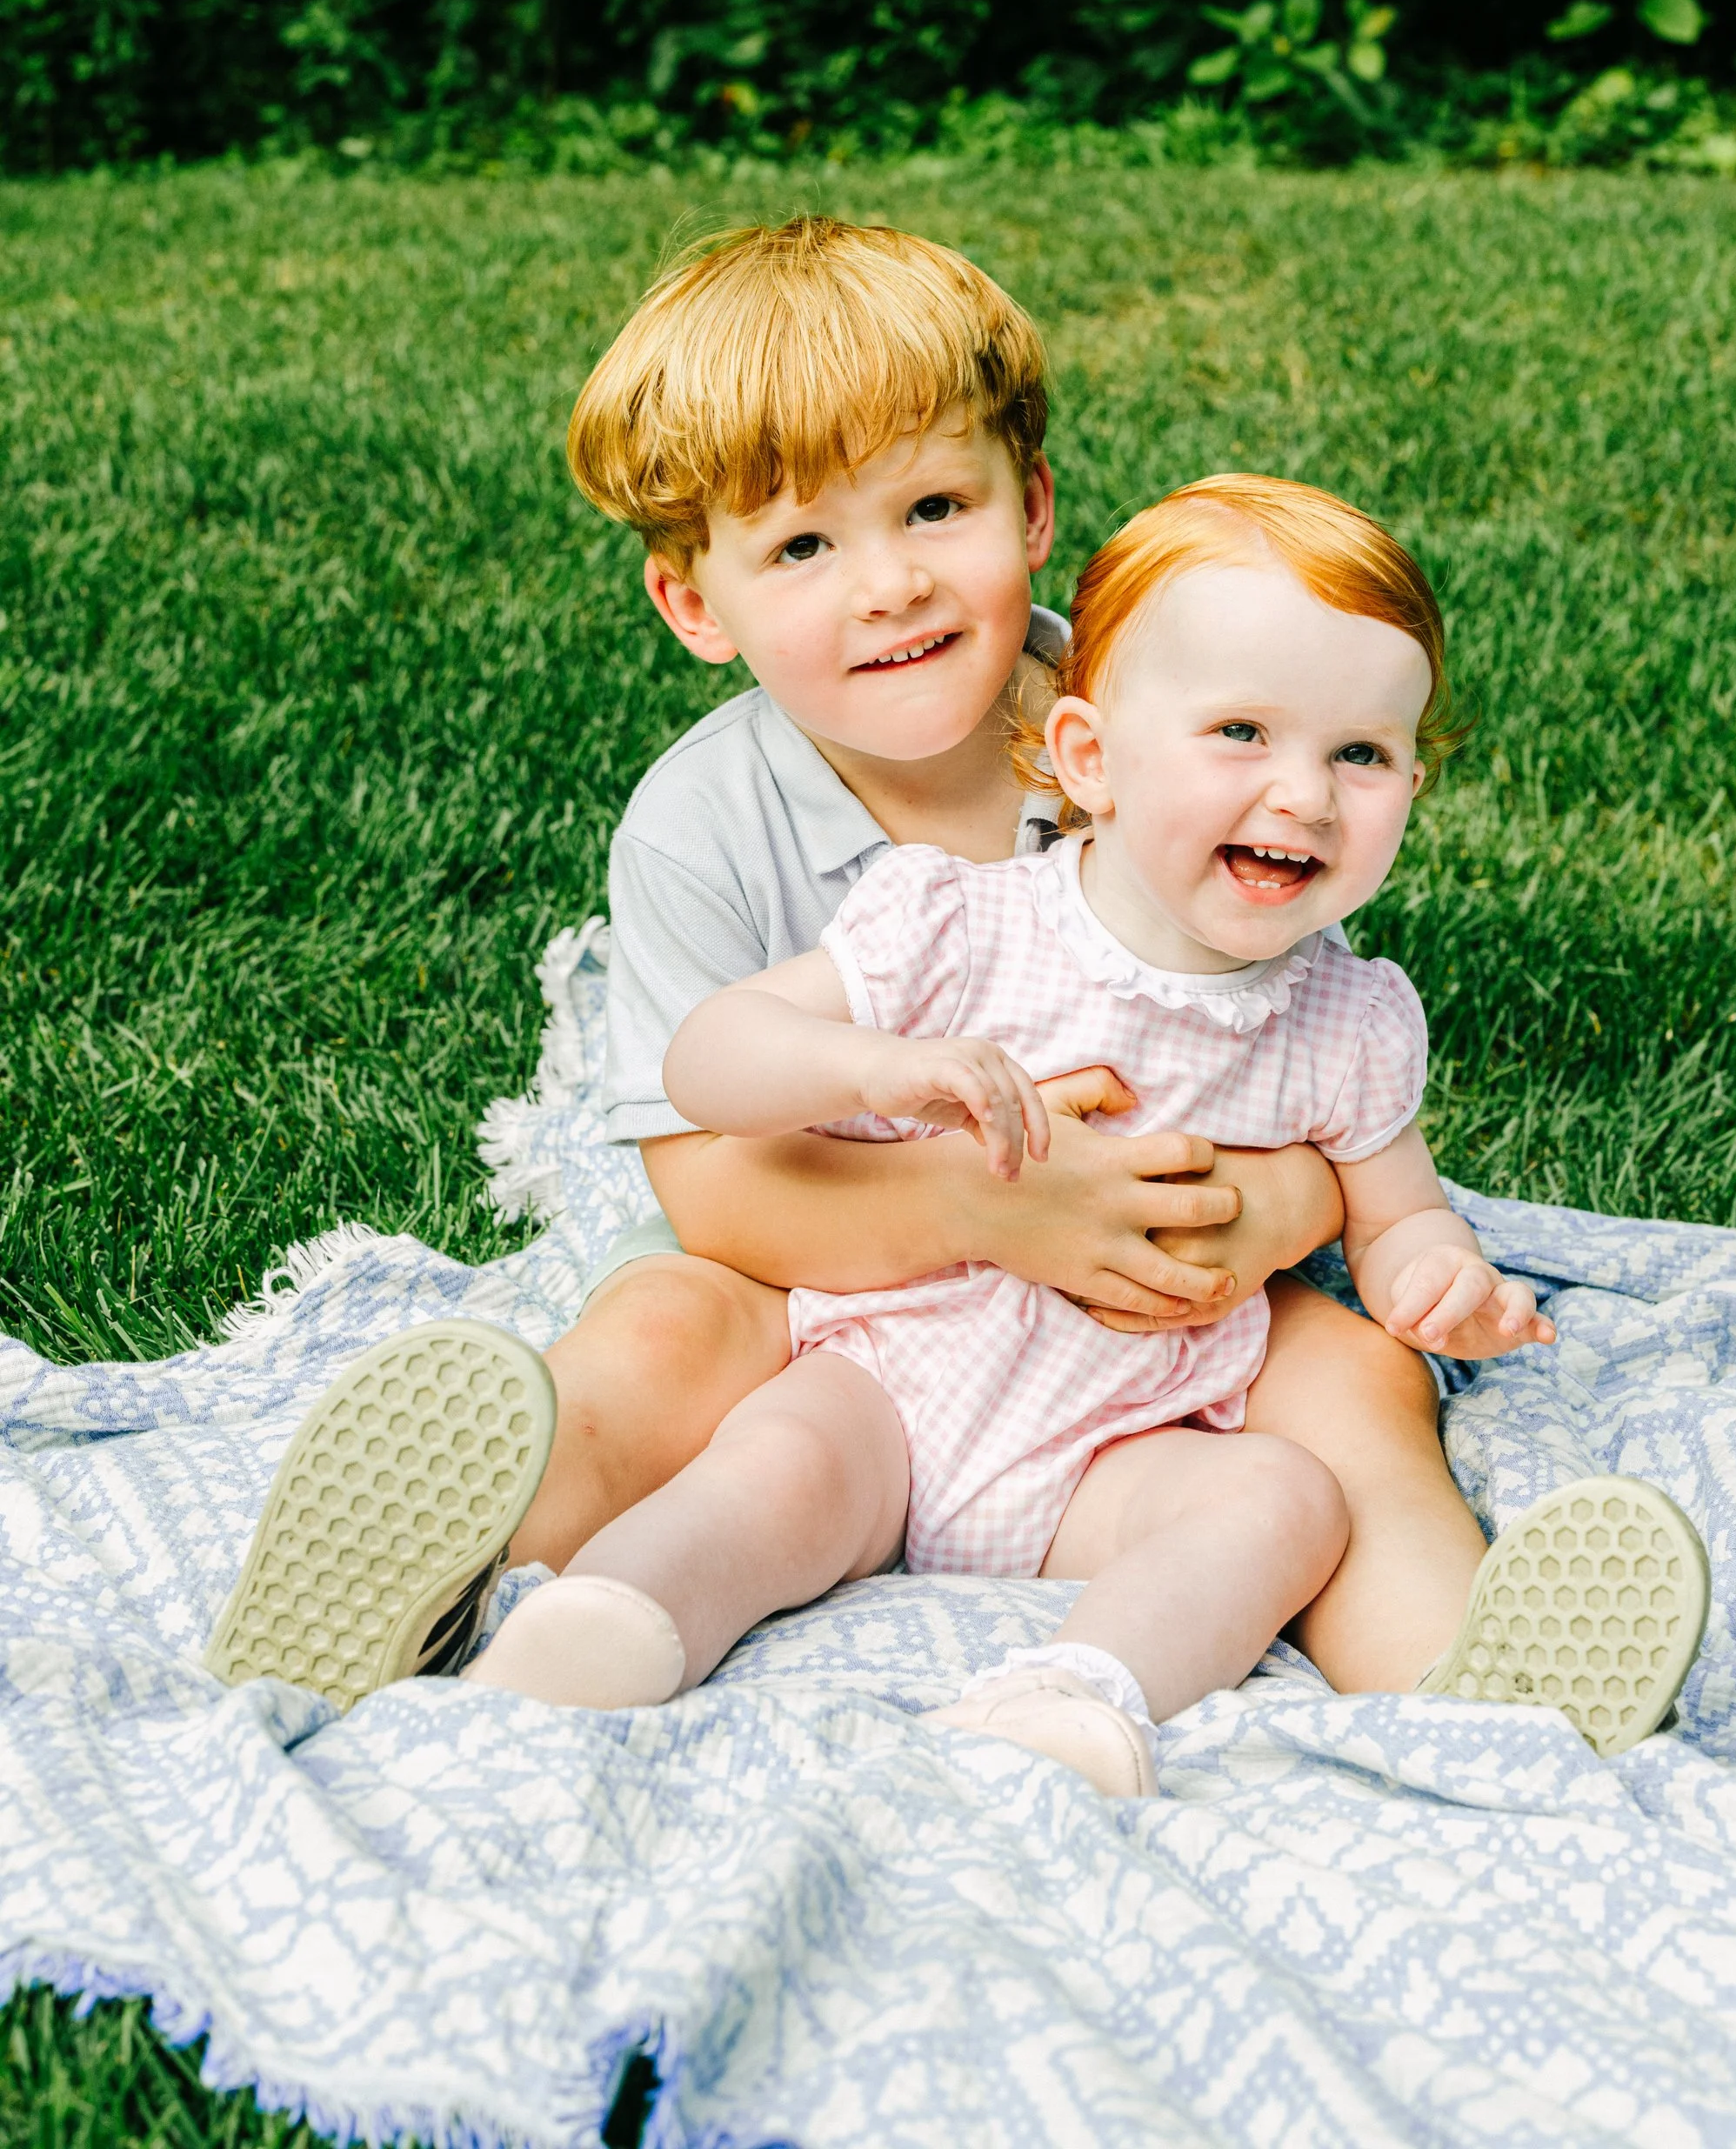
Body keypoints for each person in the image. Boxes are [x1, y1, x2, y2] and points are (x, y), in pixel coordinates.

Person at [203, 220, 1629, 1717]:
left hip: (1147, 1288)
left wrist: (1274, 1210)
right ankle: (413, 1588)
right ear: (698, 603)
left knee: (1353, 1384)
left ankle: (1467, 1685)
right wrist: (981, 1209)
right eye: (804, 545)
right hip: (809, 1263)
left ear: (1031, 512)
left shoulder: (1185, 721)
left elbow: (1289, 1039)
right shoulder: (703, 824)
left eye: (935, 505)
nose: (886, 585)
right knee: (663, 1337)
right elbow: (719, 1187)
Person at [463, 475, 1708, 1788]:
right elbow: (705, 1062)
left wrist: (1438, 1284)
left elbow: (1395, 1208)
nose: (1303, 795)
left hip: (1128, 1431)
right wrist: (879, 1062)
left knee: (1281, 1500)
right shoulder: (958, 923)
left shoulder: (1347, 1015)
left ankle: (1093, 1703)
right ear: (1088, 761)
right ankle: (598, 1629)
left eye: (1361, 754)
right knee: (775, 1471)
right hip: (891, 1381)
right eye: (1241, 733)